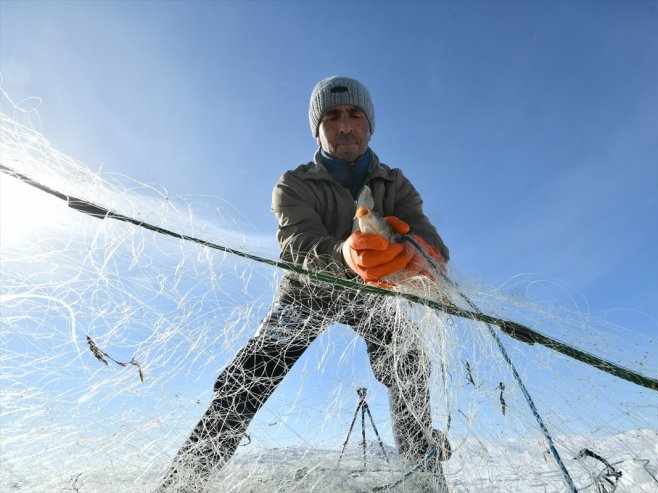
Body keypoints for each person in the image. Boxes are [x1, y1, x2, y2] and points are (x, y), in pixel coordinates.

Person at [156, 76, 451, 492]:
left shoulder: (396, 183)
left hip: (373, 298)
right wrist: (346, 255)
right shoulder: (293, 184)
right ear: (318, 127)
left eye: (355, 115)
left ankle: (426, 482)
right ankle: (181, 483)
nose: (345, 125)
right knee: (247, 377)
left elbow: (429, 237)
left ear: (370, 125)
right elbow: (299, 246)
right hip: (306, 296)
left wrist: (420, 252)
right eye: (332, 117)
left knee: (409, 366)